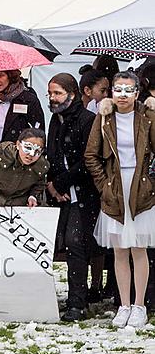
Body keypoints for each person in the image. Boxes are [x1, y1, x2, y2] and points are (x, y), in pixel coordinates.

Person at [85, 71, 155, 329]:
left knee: (139, 249)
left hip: (141, 189)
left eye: (128, 90)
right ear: (111, 93)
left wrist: (151, 182)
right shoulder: (104, 118)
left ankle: (139, 305)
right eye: (118, 89)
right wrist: (104, 186)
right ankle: (123, 304)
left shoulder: (147, 117)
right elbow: (91, 155)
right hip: (115, 189)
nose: (122, 95)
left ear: (137, 93)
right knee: (119, 251)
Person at [46, 73, 99, 322]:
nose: (53, 98)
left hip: (85, 192)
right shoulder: (55, 119)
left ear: (72, 94)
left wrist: (60, 182)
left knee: (76, 243)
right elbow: (53, 154)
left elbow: (87, 161)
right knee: (64, 244)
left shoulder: (88, 120)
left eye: (57, 93)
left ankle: (78, 301)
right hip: (62, 192)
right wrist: (53, 185)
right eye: (50, 94)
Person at [0, 127, 49, 207]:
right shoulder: (2, 151)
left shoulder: (42, 165)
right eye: (28, 148)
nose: (31, 154)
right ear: (18, 145)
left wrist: (33, 196)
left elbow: (40, 182)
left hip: (19, 206)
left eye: (37, 151)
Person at [0, 70, 45, 150]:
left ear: (10, 76)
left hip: (16, 155)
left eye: (0, 75)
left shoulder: (28, 99)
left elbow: (38, 132)